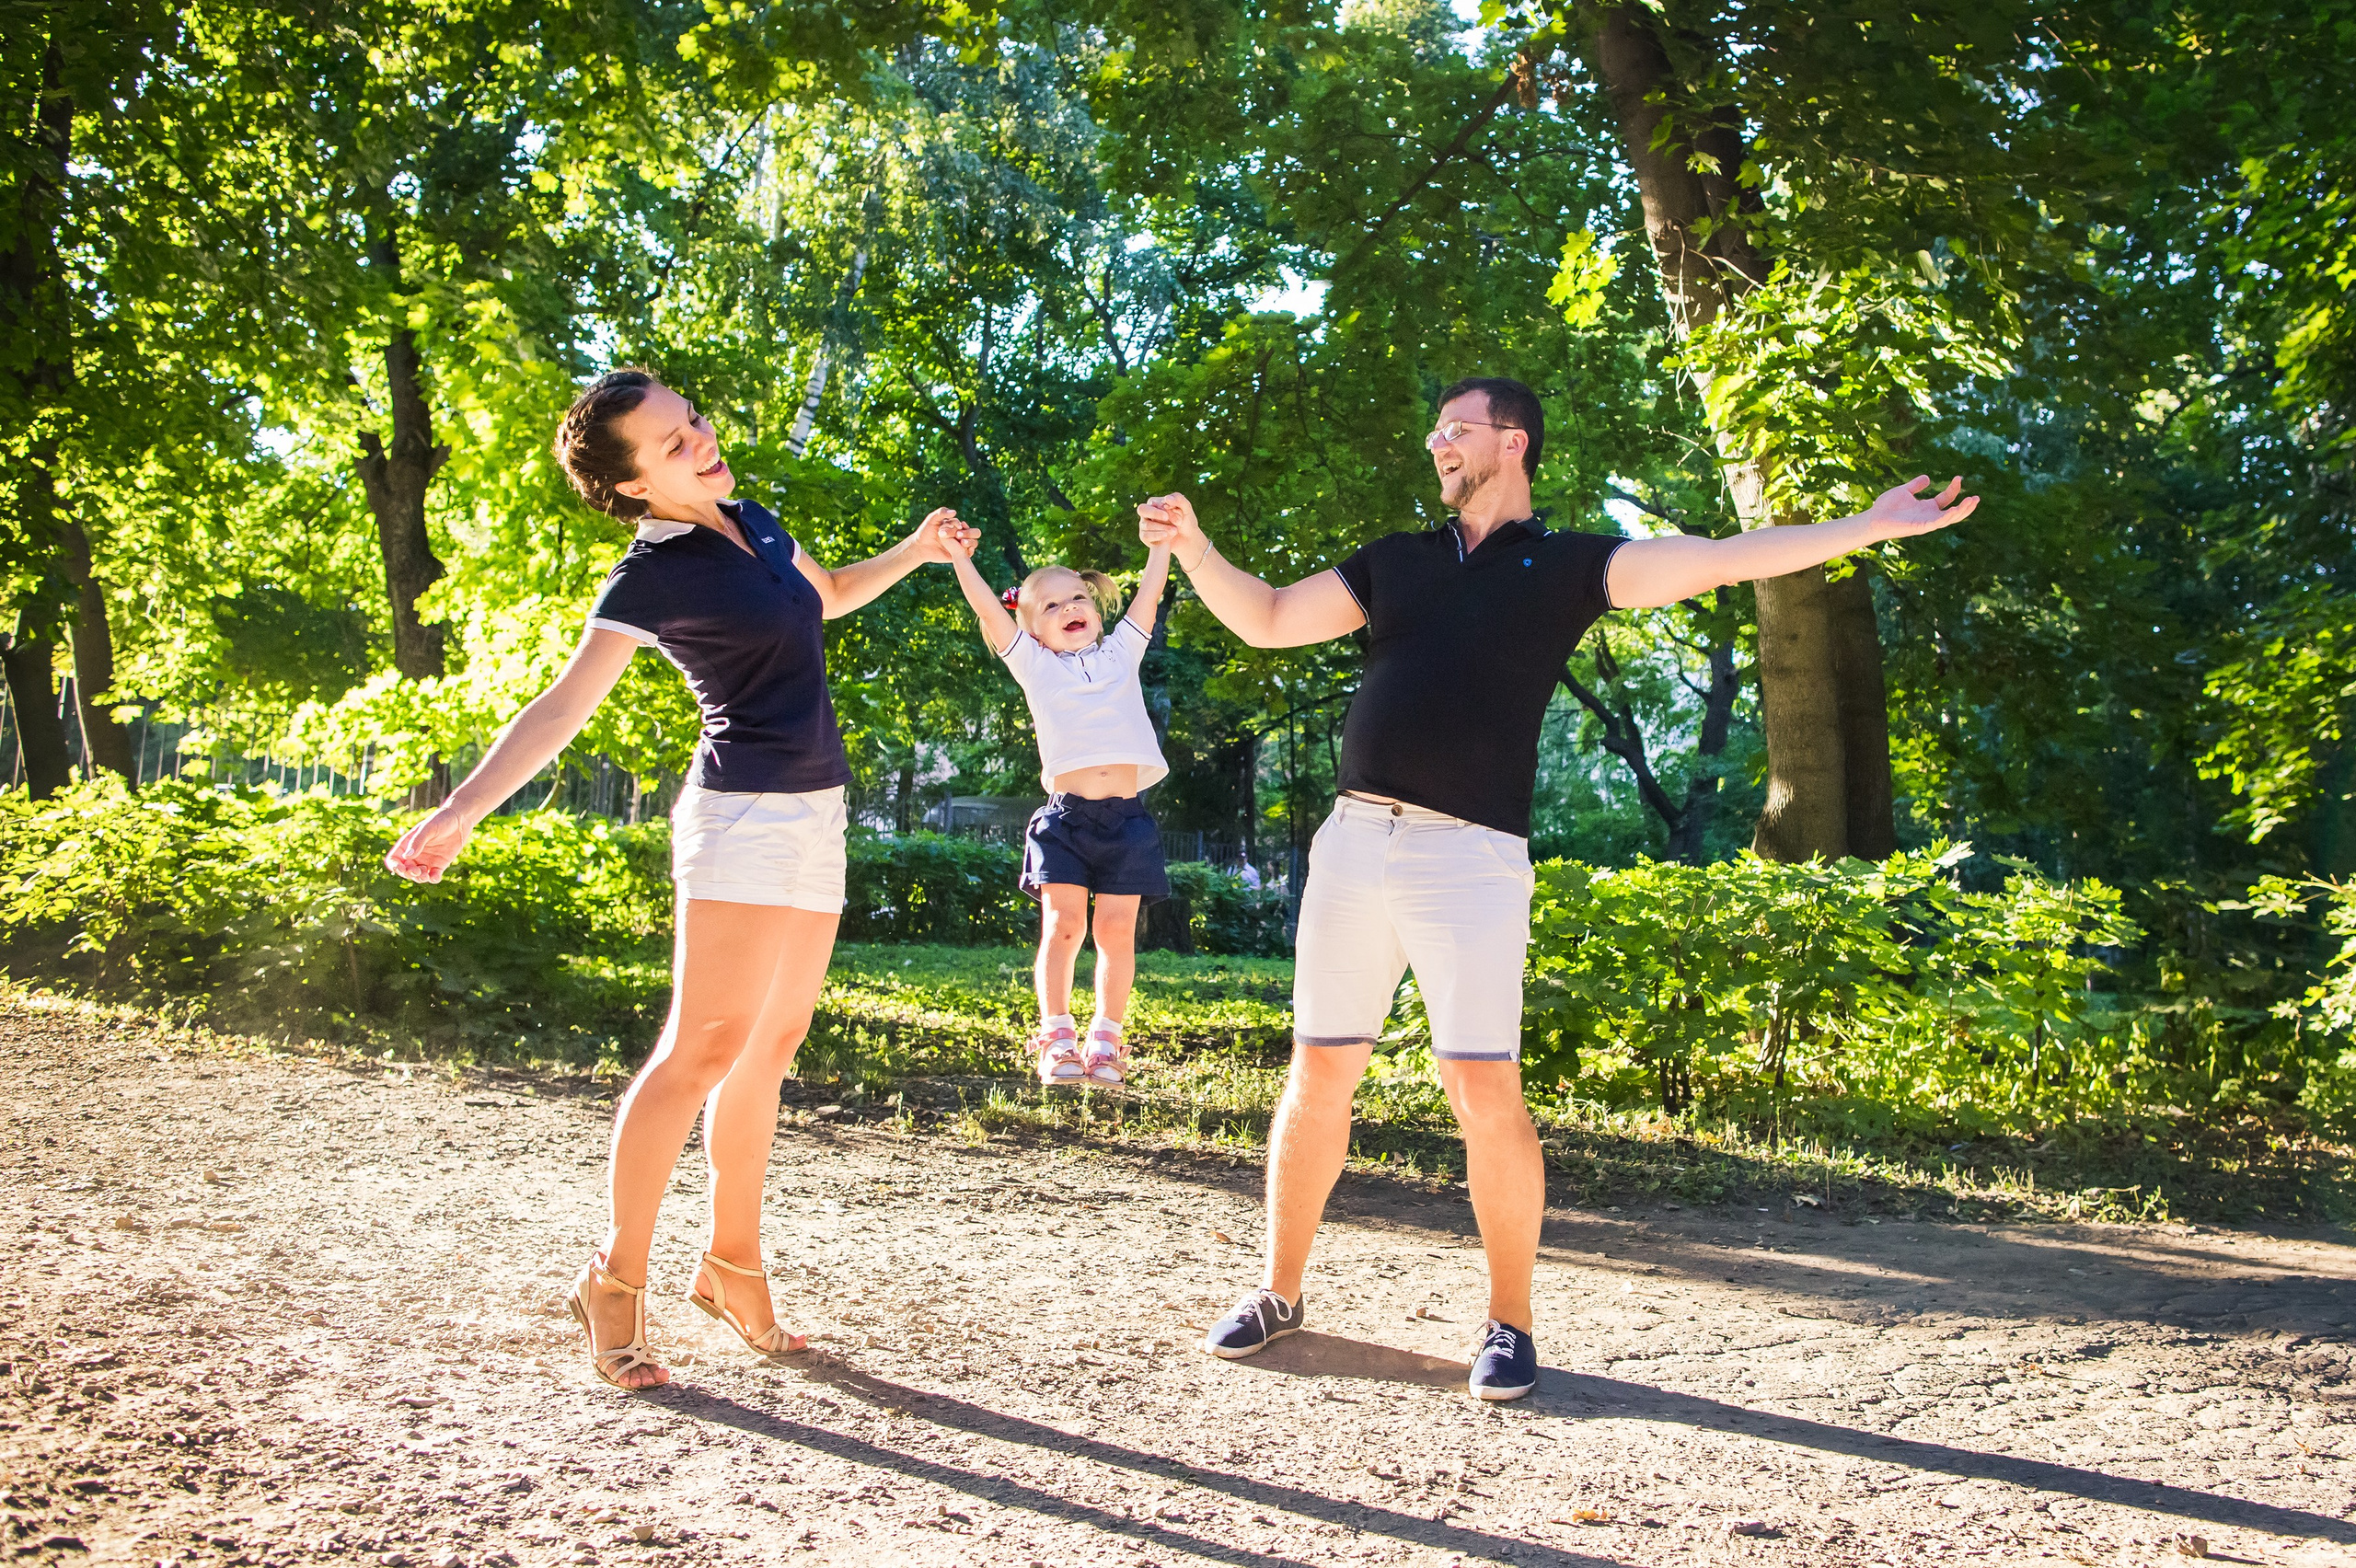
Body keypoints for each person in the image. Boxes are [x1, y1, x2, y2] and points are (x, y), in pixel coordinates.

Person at [1137, 375, 1976, 1401]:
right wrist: (1195, 549)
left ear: (1515, 441)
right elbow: (1266, 618)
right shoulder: (1395, 564)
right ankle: (1278, 1291)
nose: (1437, 444)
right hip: (1354, 845)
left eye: (1456, 428)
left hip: (1472, 858)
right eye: (1433, 428)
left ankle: (1507, 1321)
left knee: (1483, 1088)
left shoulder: (1571, 565)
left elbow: (1720, 559)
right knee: (1317, 1071)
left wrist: (1866, 527)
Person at [383, 367, 976, 1390]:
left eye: (690, 420)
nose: (697, 440)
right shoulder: (648, 576)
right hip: (738, 815)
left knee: (771, 1048)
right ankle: (614, 1280)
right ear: (632, 489)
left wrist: (917, 553)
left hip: (817, 810)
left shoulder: (757, 521)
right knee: (699, 1052)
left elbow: (826, 597)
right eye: (669, 445)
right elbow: (563, 706)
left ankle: (732, 1265)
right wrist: (463, 809)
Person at [940, 529, 1174, 1086]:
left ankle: (1107, 1040)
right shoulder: (1036, 666)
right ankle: (1057, 1035)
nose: (1071, 607)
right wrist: (957, 556)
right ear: (1032, 630)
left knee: (1116, 933)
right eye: (1051, 604)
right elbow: (984, 607)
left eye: (1079, 599)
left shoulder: (1121, 652)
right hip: (1065, 821)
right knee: (1065, 927)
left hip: (1128, 821)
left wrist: (1161, 545)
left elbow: (1149, 594)